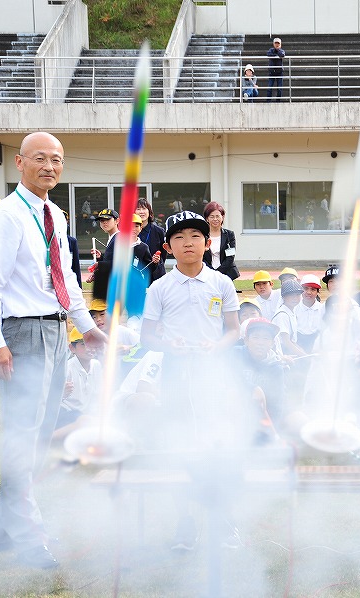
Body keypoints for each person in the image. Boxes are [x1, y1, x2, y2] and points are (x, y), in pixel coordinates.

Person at [0, 132, 107, 569]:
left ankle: (4, 530)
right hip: (21, 334)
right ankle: (30, 536)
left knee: (36, 436)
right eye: (41, 159)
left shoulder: (55, 214)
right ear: (20, 162)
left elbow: (65, 277)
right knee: (24, 435)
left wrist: (85, 328)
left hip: (53, 332)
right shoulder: (7, 216)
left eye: (58, 160)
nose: (50, 167)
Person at [138, 210, 241, 549]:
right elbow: (147, 338)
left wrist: (216, 347)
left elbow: (233, 331)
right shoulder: (160, 287)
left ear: (207, 242)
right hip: (177, 374)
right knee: (180, 446)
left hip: (215, 374)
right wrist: (172, 346)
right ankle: (185, 523)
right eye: (179, 238)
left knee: (218, 445)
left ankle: (224, 521)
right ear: (167, 247)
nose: (188, 243)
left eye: (195, 236)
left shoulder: (221, 283)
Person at [53, 327, 103, 441]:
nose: (89, 348)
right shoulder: (67, 368)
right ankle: (47, 439)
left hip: (85, 413)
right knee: (86, 422)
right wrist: (61, 394)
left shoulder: (96, 365)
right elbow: (51, 399)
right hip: (66, 413)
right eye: (83, 345)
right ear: (72, 348)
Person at [202, 201, 240, 281]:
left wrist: (218, 273)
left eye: (217, 216)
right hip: (206, 273)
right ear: (207, 219)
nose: (215, 219)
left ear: (222, 217)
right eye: (212, 216)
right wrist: (212, 272)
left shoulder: (229, 235)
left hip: (226, 273)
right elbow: (201, 257)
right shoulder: (202, 235)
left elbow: (230, 257)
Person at [135, 198, 167, 284]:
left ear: (149, 212)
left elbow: (163, 253)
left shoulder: (159, 231)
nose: (141, 212)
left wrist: (157, 262)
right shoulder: (129, 232)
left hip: (156, 275)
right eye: (138, 209)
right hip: (136, 274)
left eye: (144, 208)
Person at [294, 274, 324, 352]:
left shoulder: (323, 309)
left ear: (318, 292)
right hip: (297, 347)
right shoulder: (294, 309)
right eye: (305, 289)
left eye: (313, 289)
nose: (309, 292)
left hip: (317, 349)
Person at [266, 37, 285, 101]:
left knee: (279, 88)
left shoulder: (281, 50)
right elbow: (268, 54)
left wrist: (278, 50)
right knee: (269, 87)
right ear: (273, 44)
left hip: (279, 72)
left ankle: (278, 101)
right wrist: (276, 55)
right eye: (275, 43)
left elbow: (282, 55)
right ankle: (268, 100)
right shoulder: (271, 50)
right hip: (272, 72)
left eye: (278, 43)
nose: (277, 45)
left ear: (280, 44)